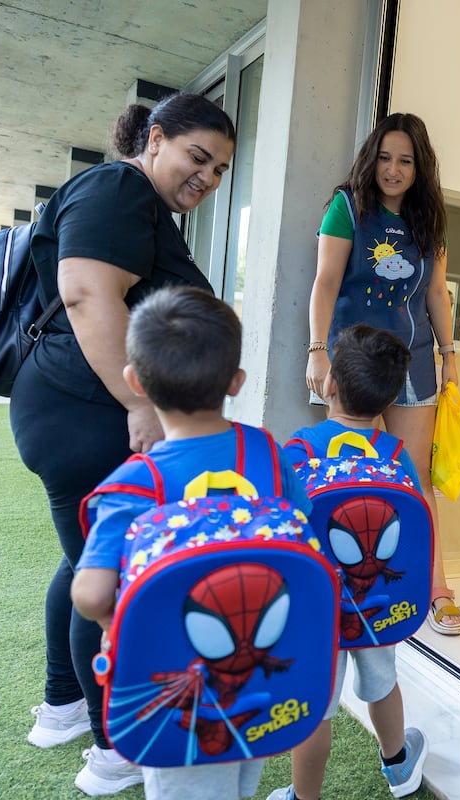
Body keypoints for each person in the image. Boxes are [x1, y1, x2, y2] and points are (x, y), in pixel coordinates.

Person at [9, 93, 236, 795]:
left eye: (222, 169)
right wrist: (138, 405)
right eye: (197, 157)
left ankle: (62, 708)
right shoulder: (118, 187)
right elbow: (85, 293)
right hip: (87, 410)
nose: (206, 177)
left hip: (74, 406)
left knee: (85, 556)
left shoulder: (143, 207)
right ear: (157, 139)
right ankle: (115, 749)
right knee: (110, 583)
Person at [71, 285, 313, 800]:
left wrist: (116, 623)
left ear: (135, 381)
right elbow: (305, 539)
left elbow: (91, 594)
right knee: (238, 782)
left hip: (180, 689)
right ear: (236, 381)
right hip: (262, 680)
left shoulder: (132, 486)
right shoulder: (269, 455)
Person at [305, 112, 460, 636]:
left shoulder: (430, 221)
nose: (393, 169)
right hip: (354, 361)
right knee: (348, 472)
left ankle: (435, 588)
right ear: (371, 158)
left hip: (414, 361)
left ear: (420, 168)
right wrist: (317, 351)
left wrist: (450, 354)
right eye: (385, 157)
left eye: (405, 160)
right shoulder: (346, 206)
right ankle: (345, 584)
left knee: (416, 480)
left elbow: (437, 293)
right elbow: (326, 282)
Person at [273, 323, 428, 800]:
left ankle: (305, 797)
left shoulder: (298, 449)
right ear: (387, 400)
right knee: (383, 684)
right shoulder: (396, 455)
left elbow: (281, 526)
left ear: (330, 384)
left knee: (316, 704)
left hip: (318, 609)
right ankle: (399, 766)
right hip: (377, 600)